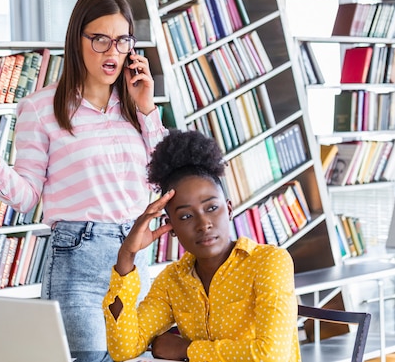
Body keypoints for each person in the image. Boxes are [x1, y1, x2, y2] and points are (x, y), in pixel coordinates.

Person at [0, 0, 167, 362]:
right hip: (79, 264)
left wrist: (149, 110)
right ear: (78, 40)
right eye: (100, 39)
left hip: (136, 262)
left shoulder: (137, 105)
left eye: (122, 41)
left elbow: (162, 178)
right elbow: (26, 199)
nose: (112, 53)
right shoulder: (40, 108)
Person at [102, 129, 301, 362]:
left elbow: (271, 356)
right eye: (186, 217)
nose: (203, 224)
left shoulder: (269, 262)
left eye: (211, 208)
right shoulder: (172, 281)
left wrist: (186, 349)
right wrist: (127, 254)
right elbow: (123, 348)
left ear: (229, 209)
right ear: (171, 227)